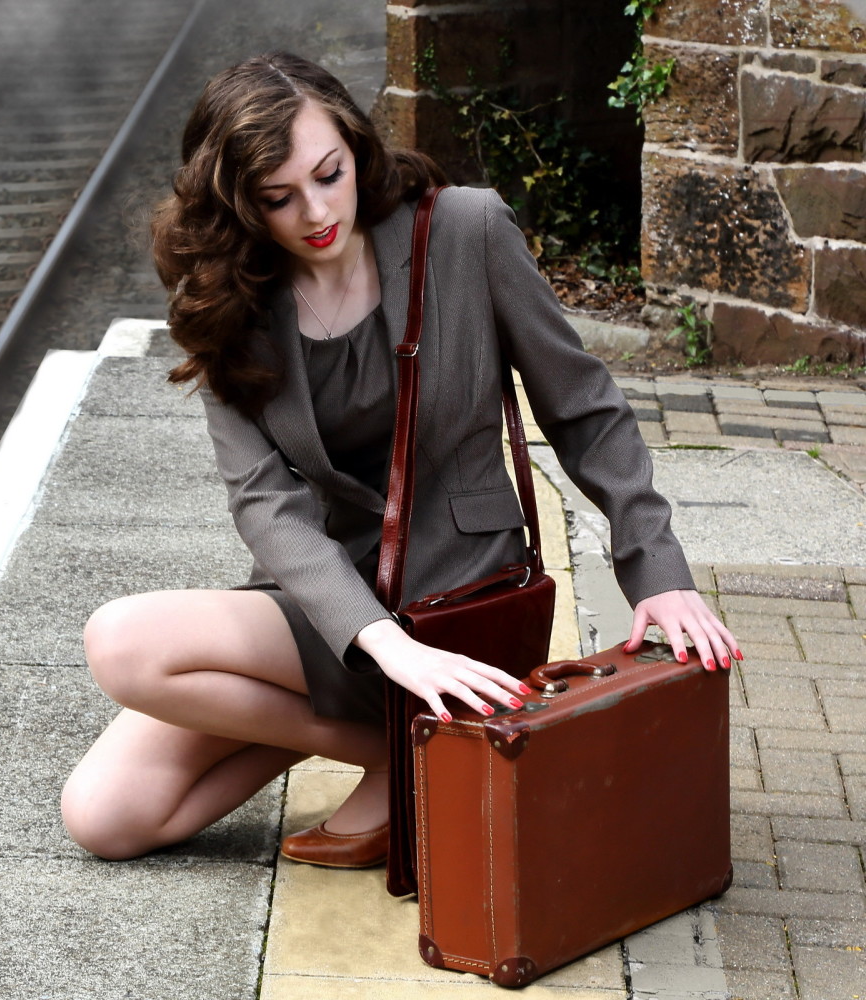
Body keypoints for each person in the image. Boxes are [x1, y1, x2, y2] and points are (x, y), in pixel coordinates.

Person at [58, 52, 740, 867]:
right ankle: (403, 748)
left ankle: (414, 736)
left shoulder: (466, 230)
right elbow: (266, 507)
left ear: (353, 142)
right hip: (336, 602)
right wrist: (383, 643)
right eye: (279, 198)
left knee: (123, 640)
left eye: (329, 174)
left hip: (458, 596)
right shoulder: (227, 304)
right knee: (106, 816)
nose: (316, 210)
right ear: (238, 206)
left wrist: (657, 569)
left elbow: (584, 407)